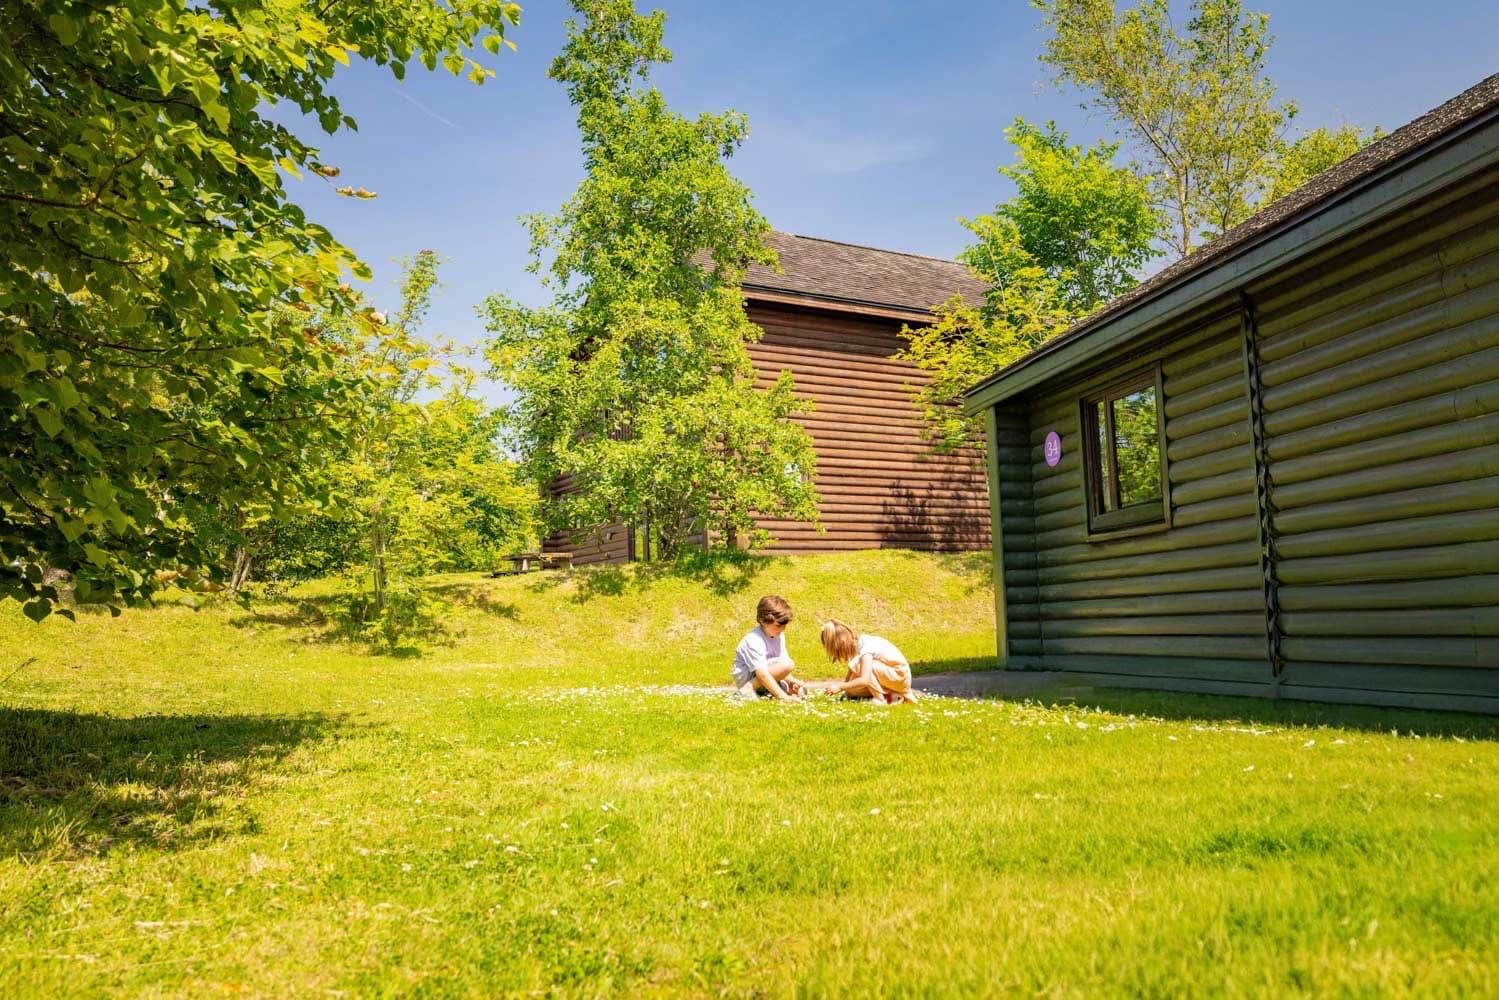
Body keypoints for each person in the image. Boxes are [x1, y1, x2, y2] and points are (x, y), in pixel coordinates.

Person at [817, 619, 917, 704]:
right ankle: (893, 696)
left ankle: (880, 699)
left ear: (841, 644)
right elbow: (849, 677)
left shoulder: (866, 649)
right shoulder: (858, 647)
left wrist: (840, 687)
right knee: (852, 689)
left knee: (860, 667)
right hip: (891, 676)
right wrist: (846, 691)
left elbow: (865, 679)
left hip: (899, 675)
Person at [731, 595, 805, 701]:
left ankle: (766, 691)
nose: (783, 629)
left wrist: (791, 681)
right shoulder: (753, 639)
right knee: (789, 664)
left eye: (784, 625)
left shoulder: (779, 636)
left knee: (797, 690)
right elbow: (762, 674)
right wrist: (784, 698)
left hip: (765, 675)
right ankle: (746, 690)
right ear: (763, 621)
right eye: (778, 626)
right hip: (750, 678)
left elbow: (779, 666)